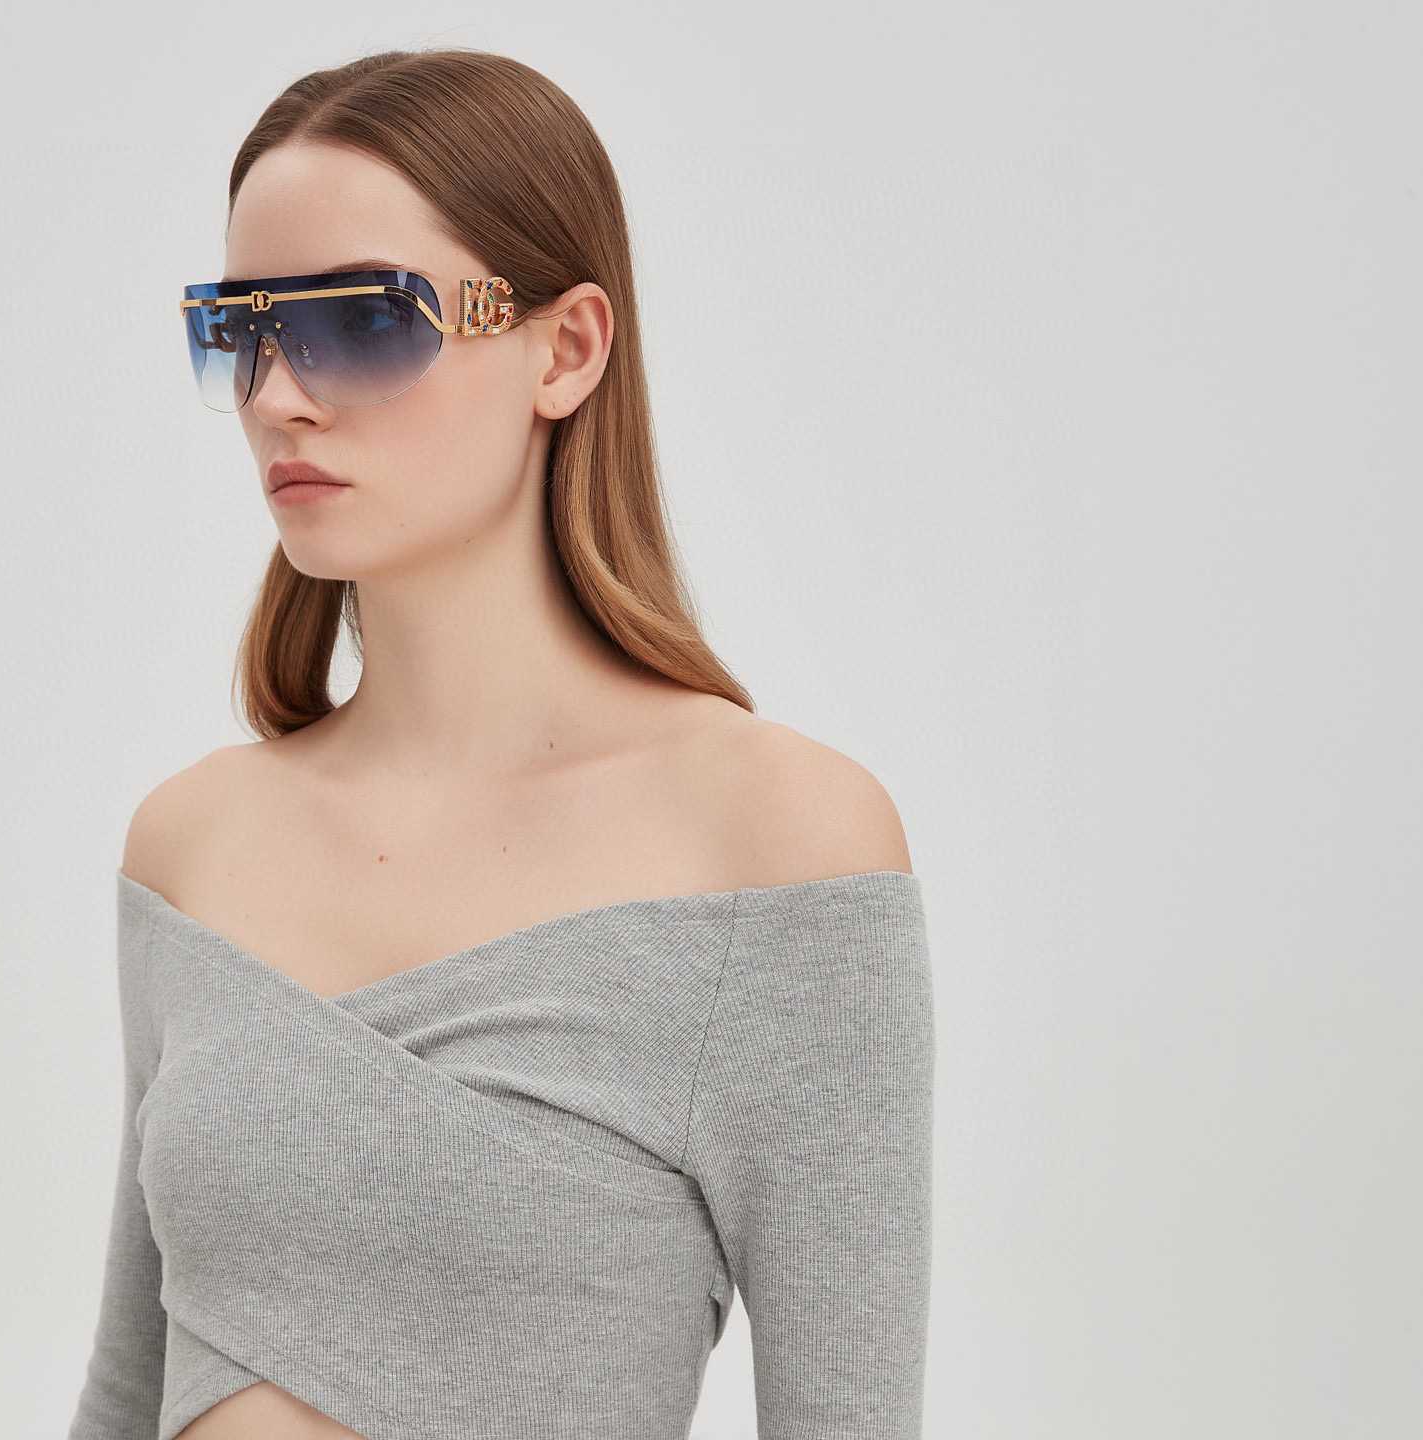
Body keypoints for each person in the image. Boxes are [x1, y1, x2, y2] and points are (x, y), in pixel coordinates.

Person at [68, 48, 934, 1440]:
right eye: (241, 330)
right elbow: (125, 1390)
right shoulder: (194, 842)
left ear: (566, 348)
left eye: (362, 323)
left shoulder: (777, 843)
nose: (279, 395)